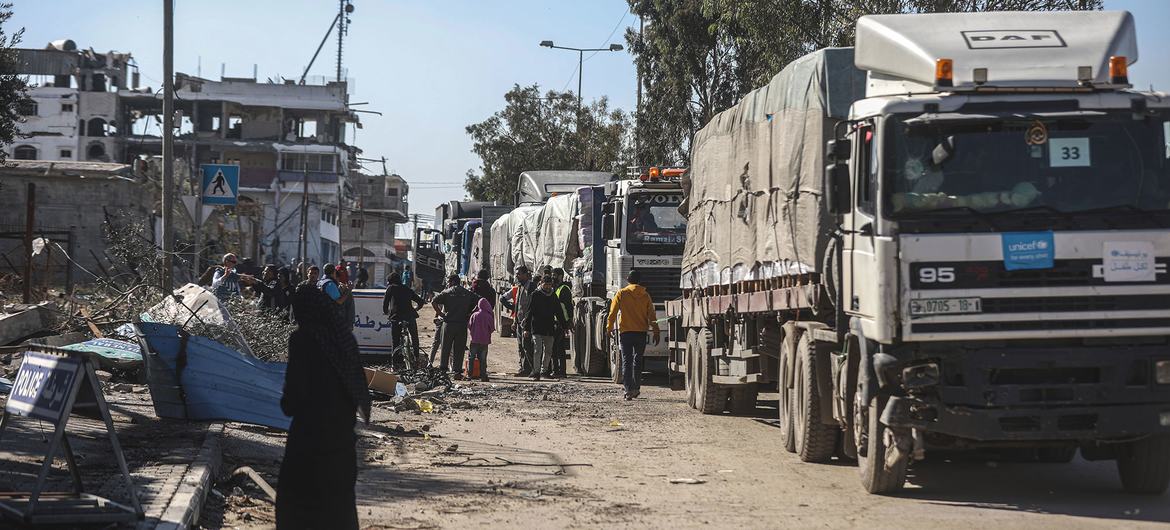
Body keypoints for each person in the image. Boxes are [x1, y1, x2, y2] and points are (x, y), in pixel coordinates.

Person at [276, 282, 371, 530]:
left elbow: (292, 400)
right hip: (341, 443)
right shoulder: (345, 339)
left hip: (308, 443)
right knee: (339, 510)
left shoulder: (303, 339)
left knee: (296, 508)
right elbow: (357, 388)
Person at [606, 269, 661, 400]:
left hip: (625, 332)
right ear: (639, 281)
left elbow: (612, 313)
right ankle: (636, 388)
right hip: (641, 332)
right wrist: (656, 331)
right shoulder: (645, 295)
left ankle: (628, 390)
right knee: (638, 360)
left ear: (628, 280)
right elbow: (652, 316)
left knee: (627, 360)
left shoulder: (621, 293)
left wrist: (609, 328)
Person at [431, 274, 479, 378]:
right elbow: (479, 301)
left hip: (448, 324)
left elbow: (433, 301)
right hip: (461, 324)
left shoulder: (447, 292)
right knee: (459, 348)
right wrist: (469, 313)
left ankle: (443, 370)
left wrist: (441, 314)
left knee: (445, 347)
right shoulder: (467, 293)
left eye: (448, 282)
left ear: (452, 282)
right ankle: (457, 371)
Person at [524, 275, 566, 382]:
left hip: (549, 328)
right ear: (541, 284)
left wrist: (564, 325)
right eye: (545, 284)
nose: (547, 287)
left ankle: (544, 371)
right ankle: (536, 372)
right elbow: (529, 313)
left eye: (549, 285)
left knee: (548, 351)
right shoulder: (535, 295)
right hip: (537, 327)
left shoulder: (553, 296)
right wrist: (526, 329)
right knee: (538, 350)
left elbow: (559, 312)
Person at [382, 274, 424, 368]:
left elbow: (385, 305)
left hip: (396, 317)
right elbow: (420, 302)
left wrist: (387, 313)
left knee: (395, 341)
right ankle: (417, 358)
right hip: (410, 316)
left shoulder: (391, 288)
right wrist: (415, 309)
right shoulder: (407, 288)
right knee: (414, 337)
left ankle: (394, 364)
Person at [502, 266, 535, 376]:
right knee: (521, 346)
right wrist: (515, 321)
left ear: (526, 274)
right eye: (517, 274)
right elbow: (517, 305)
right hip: (519, 322)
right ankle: (523, 368)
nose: (517, 276)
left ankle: (531, 369)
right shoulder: (520, 287)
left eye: (519, 274)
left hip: (528, 323)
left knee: (527, 347)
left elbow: (532, 307)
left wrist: (527, 323)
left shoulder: (531, 287)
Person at [550, 268, 573, 378]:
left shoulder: (564, 289)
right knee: (555, 348)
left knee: (558, 348)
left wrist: (567, 323)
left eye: (554, 275)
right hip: (554, 321)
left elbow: (568, 308)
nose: (552, 277)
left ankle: (560, 371)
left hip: (560, 322)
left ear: (560, 276)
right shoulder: (555, 288)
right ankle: (557, 371)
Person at [467, 298, 495, 382]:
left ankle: (470, 375)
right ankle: (483, 375)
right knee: (483, 359)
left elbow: (469, 326)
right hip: (484, 341)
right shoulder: (489, 316)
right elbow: (492, 329)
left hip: (474, 340)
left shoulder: (474, 315)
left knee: (471, 358)